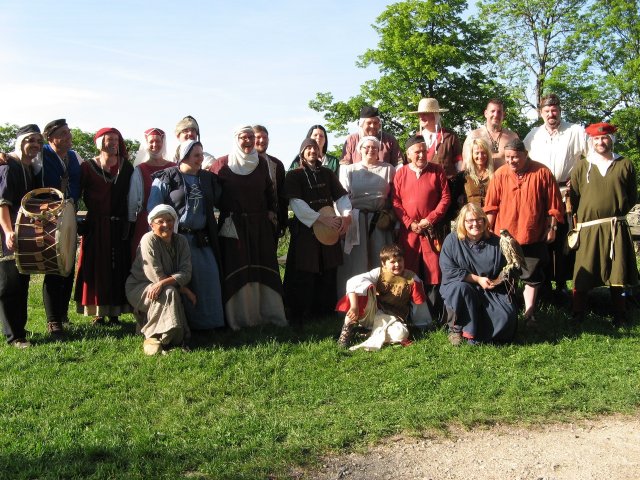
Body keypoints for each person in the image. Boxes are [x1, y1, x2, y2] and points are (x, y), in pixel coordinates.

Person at [210, 127, 287, 330]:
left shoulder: (261, 163)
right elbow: (212, 193)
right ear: (236, 139)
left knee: (263, 267)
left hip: (259, 225)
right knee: (237, 267)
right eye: (244, 137)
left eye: (251, 137)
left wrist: (271, 211)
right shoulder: (222, 164)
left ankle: (267, 313)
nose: (248, 141)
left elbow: (269, 191)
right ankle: (238, 317)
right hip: (232, 226)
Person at [484, 139, 564, 330]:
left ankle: (529, 313)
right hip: (505, 238)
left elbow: (554, 205)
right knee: (506, 275)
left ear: (525, 155)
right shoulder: (500, 174)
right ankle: (508, 312)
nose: (511, 161)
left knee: (532, 275)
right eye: (508, 157)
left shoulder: (542, 172)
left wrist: (552, 228)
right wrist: (487, 231)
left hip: (532, 234)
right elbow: (491, 206)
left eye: (515, 157)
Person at [148, 140, 224, 331]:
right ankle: (183, 326)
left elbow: (223, 199)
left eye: (202, 154)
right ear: (184, 157)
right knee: (182, 282)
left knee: (209, 279)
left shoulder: (207, 178)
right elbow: (154, 210)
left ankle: (210, 324)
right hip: (176, 239)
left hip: (201, 239)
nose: (201, 159)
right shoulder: (167, 177)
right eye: (196, 155)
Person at [570, 122, 638, 327]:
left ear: (611, 139)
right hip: (588, 228)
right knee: (583, 273)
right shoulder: (582, 166)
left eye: (604, 138)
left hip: (616, 227)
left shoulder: (625, 164)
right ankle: (577, 313)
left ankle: (621, 313)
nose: (600, 142)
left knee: (619, 274)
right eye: (597, 139)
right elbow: (574, 197)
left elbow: (632, 196)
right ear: (591, 141)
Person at [524, 94, 587, 301]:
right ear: (540, 113)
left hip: (566, 194)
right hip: (540, 195)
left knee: (564, 241)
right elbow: (523, 160)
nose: (551, 114)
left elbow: (591, 158)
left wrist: (578, 179)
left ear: (559, 110)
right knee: (543, 239)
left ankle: (562, 284)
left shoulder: (575, 131)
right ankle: (543, 285)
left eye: (554, 110)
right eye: (547, 111)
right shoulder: (533, 135)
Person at [283, 138, 352, 326]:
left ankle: (325, 311)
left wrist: (346, 216)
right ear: (302, 152)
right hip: (306, 231)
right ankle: (302, 313)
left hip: (329, 229)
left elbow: (341, 197)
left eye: (315, 148)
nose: (312, 151)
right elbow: (296, 203)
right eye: (308, 148)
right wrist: (320, 218)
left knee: (328, 269)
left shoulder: (327, 173)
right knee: (306, 270)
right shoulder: (294, 175)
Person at [75, 128, 133, 324]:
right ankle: (98, 311)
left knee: (118, 268)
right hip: (96, 225)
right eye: (109, 139)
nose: (114, 143)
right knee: (96, 267)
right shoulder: (87, 167)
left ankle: (115, 312)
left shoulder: (126, 167)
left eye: (116, 139)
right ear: (100, 142)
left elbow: (132, 195)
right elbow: (76, 193)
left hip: (118, 225)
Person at [439, 203, 518, 346]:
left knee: (506, 317)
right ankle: (457, 329)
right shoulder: (452, 241)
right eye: (470, 220)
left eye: (479, 219)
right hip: (461, 286)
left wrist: (500, 278)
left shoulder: (496, 242)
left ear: (484, 221)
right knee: (460, 288)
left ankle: (478, 334)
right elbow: (449, 270)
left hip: (490, 289)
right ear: (463, 222)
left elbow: (506, 269)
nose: (475, 224)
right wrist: (477, 279)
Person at [392, 135, 450, 322]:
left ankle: (436, 315)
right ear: (408, 154)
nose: (422, 155)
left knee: (434, 272)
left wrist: (430, 219)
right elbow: (395, 201)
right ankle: (410, 315)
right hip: (409, 232)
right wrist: (409, 222)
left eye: (424, 151)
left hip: (431, 231)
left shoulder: (437, 170)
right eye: (417, 152)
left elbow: (445, 198)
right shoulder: (401, 173)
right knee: (409, 270)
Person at [126, 204, 194, 355]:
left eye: (169, 220)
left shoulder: (181, 241)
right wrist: (182, 289)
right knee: (169, 292)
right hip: (140, 286)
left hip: (162, 285)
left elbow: (186, 272)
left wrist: (164, 283)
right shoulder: (148, 240)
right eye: (160, 222)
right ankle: (169, 338)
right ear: (152, 225)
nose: (166, 225)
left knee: (168, 290)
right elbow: (155, 275)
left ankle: (157, 336)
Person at [336, 244, 428, 350]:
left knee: (401, 333)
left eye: (400, 260)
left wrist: (423, 325)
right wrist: (354, 306)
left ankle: (367, 333)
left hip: (394, 318)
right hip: (374, 312)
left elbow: (419, 303)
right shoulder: (378, 273)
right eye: (392, 262)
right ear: (384, 264)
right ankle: (346, 333)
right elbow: (353, 281)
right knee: (362, 288)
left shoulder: (412, 278)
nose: (397, 264)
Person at [0, 125, 43, 348]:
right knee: (9, 285)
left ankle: (19, 329)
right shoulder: (9, 167)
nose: (35, 145)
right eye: (30, 140)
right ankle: (14, 336)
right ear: (20, 142)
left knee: (21, 282)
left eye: (38, 141)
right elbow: (2, 203)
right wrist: (8, 231)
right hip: (7, 233)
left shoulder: (29, 169)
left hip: (23, 232)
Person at [39, 119, 83, 336]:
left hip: (70, 217)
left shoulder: (74, 156)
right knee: (53, 268)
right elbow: (18, 156)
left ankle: (63, 313)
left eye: (69, 132)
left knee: (67, 268)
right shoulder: (41, 154)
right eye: (63, 133)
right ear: (50, 138)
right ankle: (53, 320)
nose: (68, 136)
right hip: (48, 219)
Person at [337, 135, 396, 297]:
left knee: (381, 260)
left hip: (380, 221)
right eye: (367, 147)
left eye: (374, 147)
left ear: (379, 150)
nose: (370, 150)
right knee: (355, 263)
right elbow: (342, 197)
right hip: (356, 220)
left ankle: (384, 301)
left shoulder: (388, 169)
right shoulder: (349, 170)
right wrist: (344, 219)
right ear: (360, 150)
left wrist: (394, 220)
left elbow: (395, 196)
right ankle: (353, 300)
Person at [408, 98, 464, 225]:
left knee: (444, 227)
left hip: (447, 191)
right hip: (423, 192)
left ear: (435, 115)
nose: (421, 117)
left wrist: (460, 192)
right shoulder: (415, 139)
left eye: (425, 113)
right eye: (420, 114)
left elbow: (459, 167)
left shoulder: (450, 137)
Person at [128, 128, 173, 258]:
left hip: (170, 223)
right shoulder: (140, 170)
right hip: (145, 222)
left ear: (163, 143)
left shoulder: (173, 167)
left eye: (158, 141)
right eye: (151, 141)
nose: (155, 145)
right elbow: (133, 200)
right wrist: (132, 223)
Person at [463, 98, 519, 169]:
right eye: (492, 111)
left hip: (506, 176)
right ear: (486, 113)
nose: (496, 115)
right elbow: (465, 164)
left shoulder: (512, 137)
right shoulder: (473, 136)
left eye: (499, 112)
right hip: (480, 176)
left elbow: (521, 162)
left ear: (503, 115)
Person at [253, 125, 288, 238]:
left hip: (272, 222)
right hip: (251, 222)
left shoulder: (277, 164)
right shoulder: (242, 164)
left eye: (265, 137)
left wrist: (283, 222)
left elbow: (282, 196)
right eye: (258, 137)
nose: (262, 140)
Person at [461, 138, 494, 207]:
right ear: (472, 154)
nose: (480, 156)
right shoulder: (463, 176)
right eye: (477, 153)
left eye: (483, 153)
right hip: (471, 213)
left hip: (490, 212)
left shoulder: (494, 176)